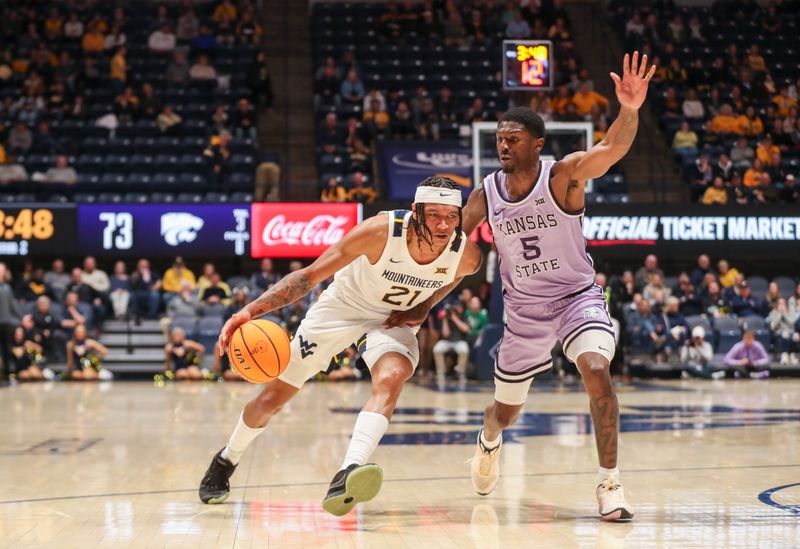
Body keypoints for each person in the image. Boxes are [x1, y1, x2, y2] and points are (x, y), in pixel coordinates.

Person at [414, 52, 655, 521]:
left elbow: (610, 151)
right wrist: (420, 296)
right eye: (500, 139)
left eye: (514, 139)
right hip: (523, 311)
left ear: (537, 144)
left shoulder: (562, 175)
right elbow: (452, 252)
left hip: (575, 298)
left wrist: (629, 110)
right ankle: (488, 441)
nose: (503, 146)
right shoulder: (486, 192)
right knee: (504, 413)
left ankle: (610, 482)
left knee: (595, 369)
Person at [198, 177, 482, 516]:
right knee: (272, 399)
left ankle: (349, 471)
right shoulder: (379, 232)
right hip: (341, 310)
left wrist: (425, 304)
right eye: (433, 214)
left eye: (451, 216)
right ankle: (227, 458)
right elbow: (308, 277)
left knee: (392, 377)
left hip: (391, 321)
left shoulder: (466, 255)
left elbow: (455, 274)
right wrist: (247, 311)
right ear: (415, 211)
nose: (442, 224)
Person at [432, 300, 470, 385]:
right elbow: (446, 334)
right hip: (447, 341)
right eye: (456, 307)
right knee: (437, 349)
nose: (458, 309)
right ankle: (441, 373)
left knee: (464, 350)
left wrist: (454, 318)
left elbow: (465, 329)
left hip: (460, 341)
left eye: (459, 307)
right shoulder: (446, 317)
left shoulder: (464, 316)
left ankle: (461, 372)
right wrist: (445, 319)